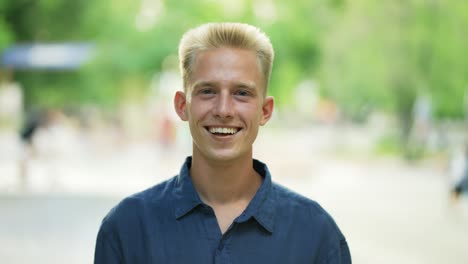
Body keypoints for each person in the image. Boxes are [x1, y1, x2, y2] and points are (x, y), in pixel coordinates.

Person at [94, 22, 351, 263]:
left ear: (265, 111)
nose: (224, 109)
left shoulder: (315, 234)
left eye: (241, 93)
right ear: (182, 106)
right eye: (207, 91)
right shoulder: (127, 229)